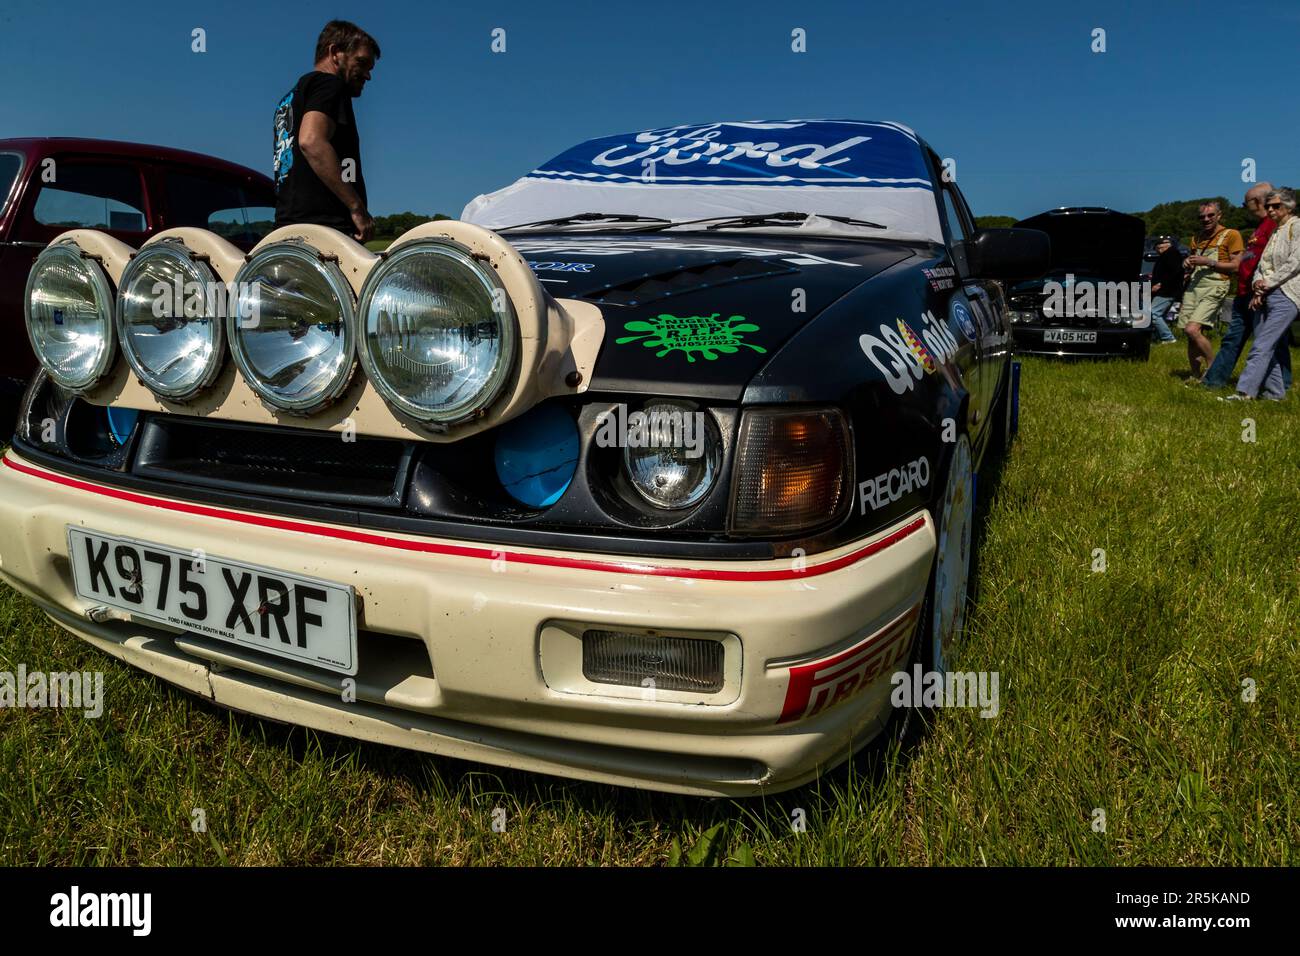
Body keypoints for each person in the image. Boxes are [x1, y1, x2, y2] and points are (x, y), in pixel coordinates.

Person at [273, 20, 379, 242]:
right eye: (361, 62)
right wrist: (356, 207)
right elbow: (311, 141)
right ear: (335, 52)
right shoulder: (330, 85)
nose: (367, 75)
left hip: (287, 230)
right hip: (326, 232)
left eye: (370, 69)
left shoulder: (291, 98)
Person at [1203, 183, 1291, 390]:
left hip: (1259, 294)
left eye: (1245, 204)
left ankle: (1280, 385)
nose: (1243, 208)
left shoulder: (1274, 225)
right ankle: (1213, 382)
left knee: (1271, 342)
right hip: (1244, 293)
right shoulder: (1261, 226)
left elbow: (1273, 261)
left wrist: (1263, 290)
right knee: (1233, 339)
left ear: (1257, 202)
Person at [1224, 188, 1300, 401]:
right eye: (1268, 206)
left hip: (1288, 295)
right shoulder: (1275, 231)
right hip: (1266, 293)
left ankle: (1244, 392)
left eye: (1276, 205)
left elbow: (1295, 263)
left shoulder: (1297, 227)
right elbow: (1263, 263)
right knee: (1269, 346)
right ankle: (1275, 394)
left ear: (1289, 206)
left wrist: (1267, 283)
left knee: (1262, 345)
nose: (1271, 209)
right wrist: (1258, 283)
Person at [1177, 201, 1243, 381]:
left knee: (1192, 329)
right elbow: (1193, 263)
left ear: (1219, 215)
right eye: (1202, 217)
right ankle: (1196, 376)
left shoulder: (1231, 235)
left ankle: (1214, 370)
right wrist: (1187, 264)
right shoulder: (1196, 238)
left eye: (1210, 215)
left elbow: (1237, 266)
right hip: (1194, 286)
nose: (1206, 219)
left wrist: (1209, 262)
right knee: (1189, 335)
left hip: (1216, 285)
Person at [1147, 236, 1182, 344]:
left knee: (1153, 314)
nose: (1157, 251)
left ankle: (1168, 338)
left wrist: (1160, 284)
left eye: (1157, 248)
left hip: (1166, 291)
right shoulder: (1170, 254)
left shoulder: (1171, 254)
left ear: (1161, 247)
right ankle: (1157, 338)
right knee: (1158, 315)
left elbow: (1174, 272)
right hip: (1166, 291)